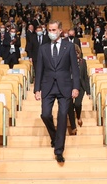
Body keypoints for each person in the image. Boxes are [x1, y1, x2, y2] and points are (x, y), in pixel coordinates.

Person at [34, 20, 80, 163]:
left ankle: (59, 150)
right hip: (47, 86)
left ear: (60, 31)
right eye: (49, 30)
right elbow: (39, 69)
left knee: (62, 117)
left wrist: (76, 87)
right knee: (45, 114)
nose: (51, 32)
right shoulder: (43, 48)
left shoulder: (70, 46)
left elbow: (75, 69)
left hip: (65, 86)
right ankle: (55, 137)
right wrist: (37, 89)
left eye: (54, 30)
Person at [68, 44, 90, 135]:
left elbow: (85, 77)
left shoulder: (83, 62)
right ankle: (73, 126)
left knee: (77, 104)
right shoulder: (66, 62)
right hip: (69, 85)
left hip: (80, 86)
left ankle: (79, 116)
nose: (76, 54)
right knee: (69, 106)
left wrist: (88, 90)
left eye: (77, 52)